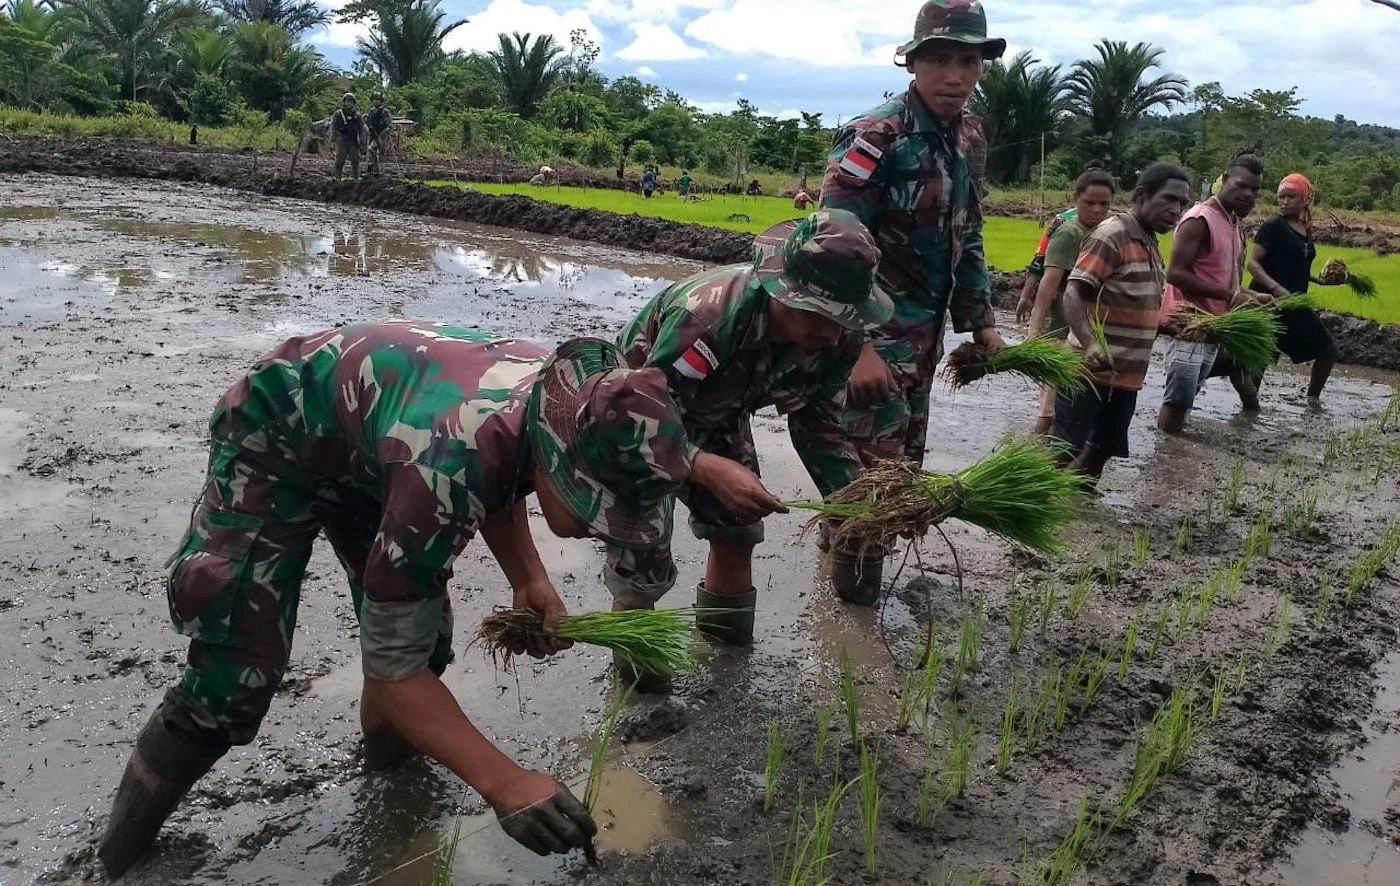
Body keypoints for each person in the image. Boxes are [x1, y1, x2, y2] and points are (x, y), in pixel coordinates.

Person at [95, 322, 693, 877]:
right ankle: (116, 862)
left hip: (375, 453)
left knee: (425, 644)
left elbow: (503, 467)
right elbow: (393, 663)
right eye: (598, 512)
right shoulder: (446, 463)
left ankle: (384, 790)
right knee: (234, 681)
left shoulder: (564, 407)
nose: (598, 530)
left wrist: (528, 577)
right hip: (277, 438)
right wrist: (503, 781)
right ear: (564, 468)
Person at [608, 209, 892, 691]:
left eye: (845, 320)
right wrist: (703, 467)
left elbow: (817, 419)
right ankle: (639, 689)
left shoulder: (839, 334)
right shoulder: (707, 320)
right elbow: (637, 416)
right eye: (823, 316)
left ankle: (725, 670)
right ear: (784, 294)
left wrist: (851, 500)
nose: (833, 333)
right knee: (643, 560)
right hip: (634, 420)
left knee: (738, 531)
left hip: (717, 415)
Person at [818, 0, 1007, 603]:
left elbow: (969, 231)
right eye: (941, 59)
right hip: (873, 331)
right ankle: (853, 617)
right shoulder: (876, 136)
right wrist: (859, 347)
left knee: (902, 461)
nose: (955, 75)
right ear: (913, 64)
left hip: (927, 332)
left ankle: (842, 543)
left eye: (968, 61)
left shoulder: (970, 137)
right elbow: (833, 245)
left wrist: (980, 323)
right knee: (872, 471)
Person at [1054, 164, 1192, 481]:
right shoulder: (1112, 235)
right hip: (1089, 371)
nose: (1176, 210)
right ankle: (1020, 502)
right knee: (1064, 448)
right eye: (1169, 199)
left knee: (1100, 451)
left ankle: (1074, 517)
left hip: (1126, 377)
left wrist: (1167, 325)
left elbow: (1133, 302)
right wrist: (1089, 344)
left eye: (1182, 204)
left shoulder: (1150, 243)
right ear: (1142, 195)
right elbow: (1073, 293)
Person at [1156, 154, 1266, 435]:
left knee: (1187, 397)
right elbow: (1175, 273)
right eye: (1242, 186)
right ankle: (1167, 459)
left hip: (1213, 327)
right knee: (1178, 402)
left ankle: (1172, 452)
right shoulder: (1199, 219)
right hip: (1187, 327)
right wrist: (1231, 296)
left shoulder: (1231, 222)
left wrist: (1248, 295)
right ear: (1225, 179)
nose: (1248, 195)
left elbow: (1219, 276)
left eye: (1254, 190)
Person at [1023, 169, 1116, 434]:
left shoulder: (1109, 232)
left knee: (1078, 401)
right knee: (1052, 403)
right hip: (1061, 330)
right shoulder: (1069, 233)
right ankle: (1036, 455)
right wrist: (1034, 331)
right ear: (1076, 199)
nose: (1097, 210)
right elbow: (1048, 285)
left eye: (1104, 204)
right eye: (1089, 203)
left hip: (1089, 330)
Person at [1246, 173, 1346, 404]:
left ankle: (1312, 400)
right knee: (1264, 357)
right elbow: (1253, 263)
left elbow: (1295, 266)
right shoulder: (1274, 226)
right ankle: (1249, 406)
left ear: (1304, 200)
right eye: (1281, 197)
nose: (1285, 202)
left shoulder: (1304, 228)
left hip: (1295, 302)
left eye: (1291, 196)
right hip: (1268, 302)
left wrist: (1320, 281)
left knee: (1328, 350)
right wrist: (1276, 288)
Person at [331, 92, 366, 181]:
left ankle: (356, 178)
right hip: (342, 140)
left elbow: (362, 128)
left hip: (353, 140)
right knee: (340, 160)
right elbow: (333, 126)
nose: (349, 103)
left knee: (355, 160)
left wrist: (362, 140)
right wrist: (336, 137)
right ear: (344, 102)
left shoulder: (357, 115)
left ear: (354, 103)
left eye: (351, 102)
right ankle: (337, 178)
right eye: (347, 101)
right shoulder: (338, 114)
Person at [364, 92, 392, 177]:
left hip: (382, 136)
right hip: (372, 135)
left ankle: (379, 172)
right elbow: (367, 123)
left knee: (378, 153)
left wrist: (381, 136)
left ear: (381, 101)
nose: (376, 101)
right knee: (371, 152)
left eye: (378, 100)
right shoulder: (371, 112)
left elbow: (389, 126)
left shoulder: (384, 112)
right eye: (374, 100)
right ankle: (373, 171)